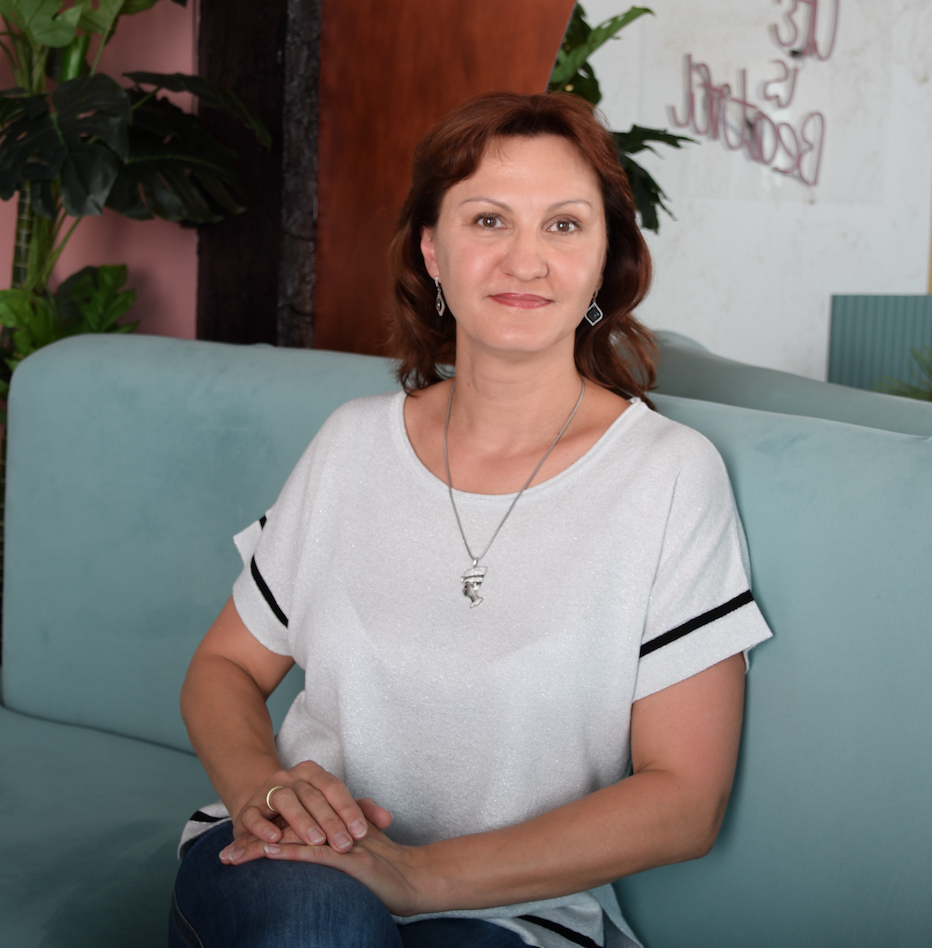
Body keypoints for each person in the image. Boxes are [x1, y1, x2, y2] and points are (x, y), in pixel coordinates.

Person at [169, 91, 772, 948]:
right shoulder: (352, 443)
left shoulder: (668, 475)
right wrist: (262, 791)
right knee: (319, 920)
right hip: (297, 869)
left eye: (563, 225)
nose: (525, 260)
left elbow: (684, 799)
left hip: (513, 913)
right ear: (432, 250)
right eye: (488, 220)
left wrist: (416, 876)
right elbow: (223, 665)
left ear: (603, 258)